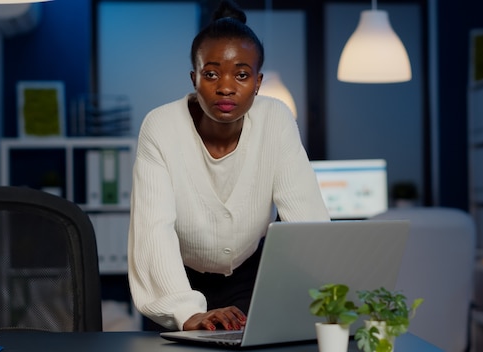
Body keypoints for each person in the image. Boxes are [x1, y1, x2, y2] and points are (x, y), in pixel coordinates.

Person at [127, 0, 330, 332]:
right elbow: (153, 230)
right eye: (211, 73)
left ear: (258, 82)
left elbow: (305, 217)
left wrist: (328, 291)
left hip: (252, 281)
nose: (225, 86)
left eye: (241, 74)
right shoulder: (161, 126)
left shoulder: (275, 119)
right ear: (194, 78)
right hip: (178, 280)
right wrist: (185, 311)